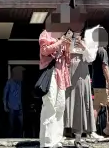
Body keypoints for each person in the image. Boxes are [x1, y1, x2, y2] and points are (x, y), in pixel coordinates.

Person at [39, 11, 72, 148]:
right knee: (50, 106)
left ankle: (57, 140)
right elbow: (45, 51)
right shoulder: (45, 34)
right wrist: (59, 42)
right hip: (51, 74)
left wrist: (67, 46)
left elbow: (68, 61)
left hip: (62, 75)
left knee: (60, 107)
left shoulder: (62, 37)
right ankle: (47, 142)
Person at [64, 26, 96, 147]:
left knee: (81, 103)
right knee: (66, 103)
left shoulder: (88, 42)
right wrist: (67, 41)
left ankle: (78, 135)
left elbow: (91, 58)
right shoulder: (67, 40)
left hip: (82, 74)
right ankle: (65, 132)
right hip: (68, 74)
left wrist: (84, 47)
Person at [3, 66, 24, 138]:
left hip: (19, 106)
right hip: (11, 106)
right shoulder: (9, 82)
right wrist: (5, 105)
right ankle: (10, 138)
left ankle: (20, 137)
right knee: (11, 124)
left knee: (21, 124)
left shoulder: (20, 82)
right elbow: (5, 94)